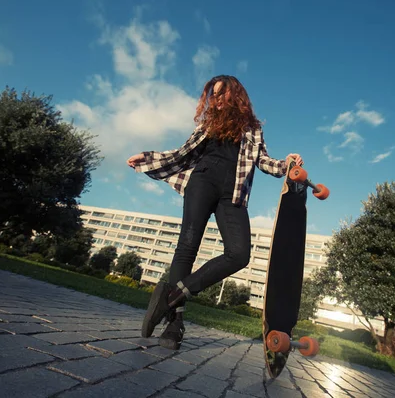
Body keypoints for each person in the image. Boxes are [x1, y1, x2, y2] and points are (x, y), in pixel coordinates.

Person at [127, 75, 303, 350]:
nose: (217, 99)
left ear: (236, 95)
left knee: (239, 253)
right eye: (214, 95)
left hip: (232, 192)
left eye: (222, 93)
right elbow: (182, 151)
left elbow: (263, 161)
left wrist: (287, 165)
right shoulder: (208, 123)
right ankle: (174, 325)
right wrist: (148, 157)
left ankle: (170, 295)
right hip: (202, 181)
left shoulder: (252, 128)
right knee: (187, 247)